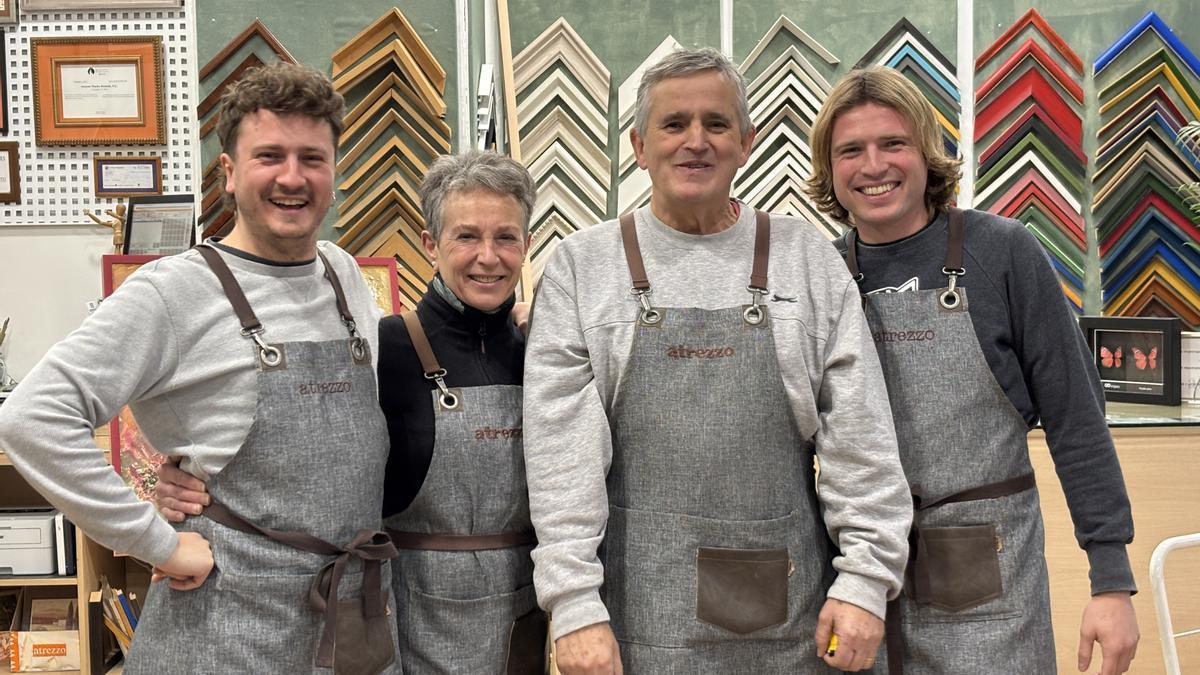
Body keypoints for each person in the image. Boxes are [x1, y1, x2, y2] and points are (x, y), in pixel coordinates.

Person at [0, 62, 401, 674]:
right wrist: (155, 541)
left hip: (341, 624)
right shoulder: (174, 292)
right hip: (223, 631)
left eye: (312, 158)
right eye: (269, 155)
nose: (293, 178)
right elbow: (33, 418)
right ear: (229, 172)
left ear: (334, 170)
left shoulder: (342, 275)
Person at [522, 47, 913, 673]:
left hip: (790, 621)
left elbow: (859, 440)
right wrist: (572, 605)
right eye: (674, 124)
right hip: (631, 624)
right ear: (639, 145)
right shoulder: (581, 268)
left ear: (747, 142)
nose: (695, 142)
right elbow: (560, 458)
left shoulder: (805, 260)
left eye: (716, 124)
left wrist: (866, 582)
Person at [155, 150, 547, 674]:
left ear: (526, 244)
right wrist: (191, 486)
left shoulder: (545, 349)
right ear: (431, 245)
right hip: (405, 609)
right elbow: (301, 451)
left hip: (523, 612)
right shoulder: (384, 350)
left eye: (506, 237)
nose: (488, 256)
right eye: (467, 236)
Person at [804, 65, 1140, 675]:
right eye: (850, 150)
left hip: (992, 592)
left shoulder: (1004, 253)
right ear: (830, 171)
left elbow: (1077, 422)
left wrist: (1111, 580)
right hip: (859, 590)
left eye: (894, 143)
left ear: (927, 155)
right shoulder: (819, 278)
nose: (873, 165)